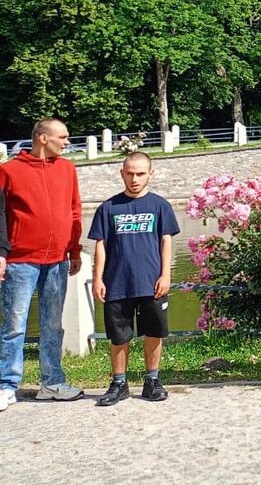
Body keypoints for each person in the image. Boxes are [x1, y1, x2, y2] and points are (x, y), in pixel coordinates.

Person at [0, 118, 85, 408]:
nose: (67, 142)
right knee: (14, 326)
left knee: (53, 325)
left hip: (58, 260)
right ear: (43, 138)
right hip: (20, 260)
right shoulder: (9, 171)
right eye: (62, 137)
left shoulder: (67, 169)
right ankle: (6, 385)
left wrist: (74, 250)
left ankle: (52, 382)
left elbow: (75, 211)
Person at [89, 152, 181, 406]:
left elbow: (166, 241)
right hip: (117, 283)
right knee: (119, 336)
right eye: (129, 173)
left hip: (151, 283)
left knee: (154, 331)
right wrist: (98, 278)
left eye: (140, 173)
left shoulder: (160, 206)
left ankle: (152, 381)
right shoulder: (108, 208)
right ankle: (119, 383)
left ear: (150, 173)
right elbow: (100, 245)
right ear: (122, 174)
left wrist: (166, 274)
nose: (134, 179)